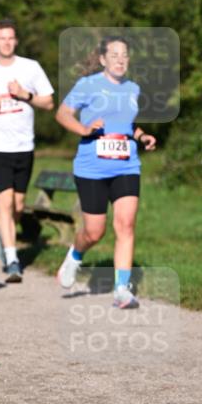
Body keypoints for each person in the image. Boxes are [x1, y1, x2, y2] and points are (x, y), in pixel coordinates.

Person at [55, 35, 156, 308]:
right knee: (94, 232)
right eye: (114, 55)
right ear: (102, 59)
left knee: (125, 225)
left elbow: (125, 124)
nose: (121, 60)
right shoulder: (87, 85)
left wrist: (142, 135)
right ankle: (75, 255)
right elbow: (62, 114)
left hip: (126, 164)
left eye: (124, 55)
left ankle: (122, 289)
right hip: (92, 168)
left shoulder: (133, 88)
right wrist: (84, 130)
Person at [0, 19, 54, 282]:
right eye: (1, 38)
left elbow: (48, 102)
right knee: (5, 201)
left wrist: (25, 95)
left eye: (10, 38)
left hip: (24, 146)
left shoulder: (30, 68)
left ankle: (3, 234)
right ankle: (13, 260)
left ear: (15, 41)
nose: (6, 42)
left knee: (17, 204)